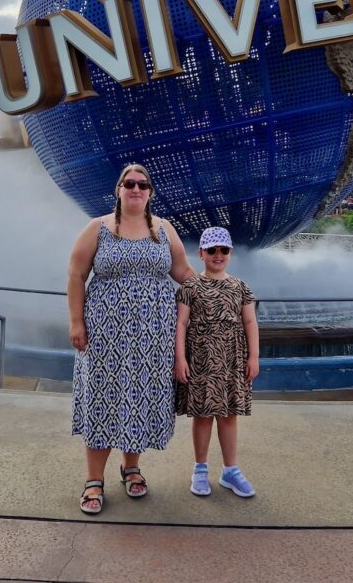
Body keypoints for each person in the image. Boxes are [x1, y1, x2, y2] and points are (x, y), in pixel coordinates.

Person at [68, 163, 196, 515]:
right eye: (129, 183)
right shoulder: (99, 228)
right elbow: (77, 274)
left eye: (142, 184)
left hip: (153, 335)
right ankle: (94, 480)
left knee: (138, 398)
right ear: (119, 190)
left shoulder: (163, 229)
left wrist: (215, 286)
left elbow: (181, 272)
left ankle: (132, 467)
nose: (136, 188)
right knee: (103, 398)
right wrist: (77, 322)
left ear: (150, 192)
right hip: (104, 333)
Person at [174, 227, 261, 498]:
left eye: (223, 250)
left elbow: (250, 322)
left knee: (228, 415)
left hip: (232, 360)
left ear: (230, 253)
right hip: (200, 359)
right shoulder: (190, 286)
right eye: (212, 250)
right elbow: (181, 323)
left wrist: (254, 356)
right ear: (201, 254)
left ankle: (230, 470)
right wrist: (180, 359)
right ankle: (200, 469)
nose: (218, 255)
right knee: (202, 416)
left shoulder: (240, 286)